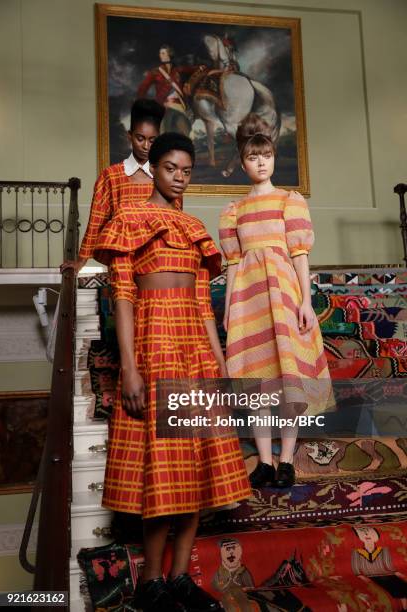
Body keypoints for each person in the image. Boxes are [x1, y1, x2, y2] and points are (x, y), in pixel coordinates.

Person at [98, 132, 251, 612]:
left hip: (195, 351)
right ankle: (151, 583)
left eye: (186, 169)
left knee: (197, 469)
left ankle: (181, 579)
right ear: (153, 167)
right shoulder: (126, 220)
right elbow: (123, 297)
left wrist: (223, 366)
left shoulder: (194, 227)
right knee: (162, 472)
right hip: (153, 344)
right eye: (171, 168)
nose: (179, 176)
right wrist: (129, 368)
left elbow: (205, 307)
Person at [219, 113, 333, 489]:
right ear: (242, 162)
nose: (261, 162)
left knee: (288, 380)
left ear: (272, 156)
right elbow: (233, 263)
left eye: (266, 155)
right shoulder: (233, 212)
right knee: (257, 383)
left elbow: (300, 255)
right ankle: (264, 462)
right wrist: (229, 308)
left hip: (284, 296)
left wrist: (305, 301)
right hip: (249, 301)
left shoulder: (289, 200)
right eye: (253, 157)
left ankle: (286, 459)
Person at [60, 98, 165, 273]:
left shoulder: (164, 176)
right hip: (121, 261)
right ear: (129, 135)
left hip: (159, 263)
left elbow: (175, 221)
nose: (146, 146)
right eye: (140, 138)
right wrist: (80, 262)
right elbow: (96, 221)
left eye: (152, 140)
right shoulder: (111, 176)